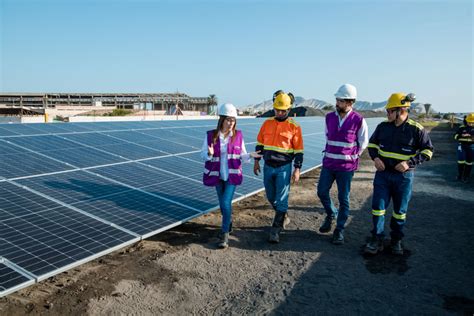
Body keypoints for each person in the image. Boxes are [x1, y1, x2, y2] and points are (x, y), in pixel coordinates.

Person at [364, 92, 434, 255]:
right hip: (383, 175)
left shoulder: (416, 129)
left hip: (403, 178)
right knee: (377, 208)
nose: (387, 114)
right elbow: (372, 145)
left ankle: (396, 240)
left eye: (389, 111)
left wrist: (409, 163)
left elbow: (428, 151)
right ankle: (377, 238)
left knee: (399, 211)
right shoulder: (383, 127)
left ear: (400, 110)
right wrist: (375, 159)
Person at [202, 103, 261, 249]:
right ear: (221, 119)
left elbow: (242, 155)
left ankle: (225, 234)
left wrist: (250, 156)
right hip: (217, 176)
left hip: (231, 176)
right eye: (228, 120)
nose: (230, 123)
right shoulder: (211, 135)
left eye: (233, 120)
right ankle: (228, 222)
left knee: (225, 203)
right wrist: (209, 153)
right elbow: (203, 155)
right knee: (223, 204)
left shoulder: (238, 136)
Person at [317, 84, 368, 245]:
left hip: (346, 168)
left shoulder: (359, 120)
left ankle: (339, 230)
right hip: (329, 164)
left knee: (343, 198)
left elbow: (363, 142)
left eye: (340, 100)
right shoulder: (329, 117)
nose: (337, 102)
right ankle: (331, 213)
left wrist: (353, 156)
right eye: (337, 99)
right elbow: (327, 136)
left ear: (350, 102)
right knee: (321, 192)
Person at [254, 90, 304, 243]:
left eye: (283, 110)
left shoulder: (294, 127)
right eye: (277, 109)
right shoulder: (267, 123)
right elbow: (260, 144)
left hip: (284, 167)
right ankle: (283, 215)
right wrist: (256, 161)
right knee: (271, 196)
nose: (279, 112)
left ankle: (276, 230)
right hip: (268, 166)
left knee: (281, 198)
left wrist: (297, 169)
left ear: (289, 110)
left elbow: (299, 151)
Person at [454, 113, 474, 183]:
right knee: (461, 161)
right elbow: (455, 136)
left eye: (472, 123)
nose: (471, 124)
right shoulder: (461, 127)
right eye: (469, 122)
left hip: (471, 146)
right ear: (466, 120)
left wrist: (471, 137)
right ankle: (460, 175)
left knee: (469, 162)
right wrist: (461, 136)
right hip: (461, 146)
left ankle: (466, 176)